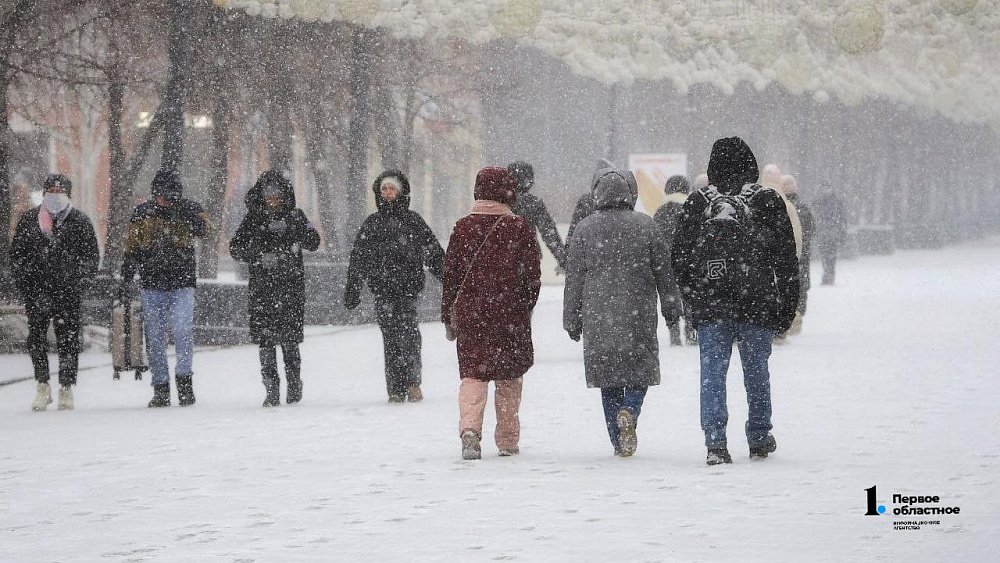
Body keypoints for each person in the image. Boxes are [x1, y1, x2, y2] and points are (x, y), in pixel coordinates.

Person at [671, 137, 799, 465]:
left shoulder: (698, 202)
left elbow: (680, 259)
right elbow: (786, 259)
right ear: (751, 167)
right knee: (756, 371)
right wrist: (786, 307)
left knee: (712, 372)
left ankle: (715, 441)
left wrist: (693, 302)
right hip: (756, 303)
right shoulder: (768, 200)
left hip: (712, 305)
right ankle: (758, 435)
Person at [563, 167, 679, 457]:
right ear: (630, 193)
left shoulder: (584, 229)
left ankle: (618, 440)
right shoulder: (646, 225)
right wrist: (671, 308)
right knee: (639, 370)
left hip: (598, 317)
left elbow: (574, 280)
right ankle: (631, 410)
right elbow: (664, 272)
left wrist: (572, 320)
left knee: (608, 379)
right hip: (637, 313)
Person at [442, 167, 541, 460]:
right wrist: (524, 304)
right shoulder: (520, 227)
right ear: (508, 192)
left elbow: (451, 276)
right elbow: (532, 276)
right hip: (510, 316)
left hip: (473, 315)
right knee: (509, 377)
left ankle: (470, 430)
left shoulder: (462, 227)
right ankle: (508, 439)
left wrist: (448, 314)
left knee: (474, 375)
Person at [344, 170, 444, 403]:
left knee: (409, 335)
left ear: (401, 192)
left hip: (408, 289)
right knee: (390, 338)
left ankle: (413, 382)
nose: (388, 193)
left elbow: (433, 253)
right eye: (384, 189)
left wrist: (449, 279)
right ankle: (395, 388)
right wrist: (353, 287)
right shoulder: (372, 224)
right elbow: (359, 258)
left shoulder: (413, 221)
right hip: (383, 290)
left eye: (392, 189)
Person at [119, 169, 210, 408]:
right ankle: (160, 387)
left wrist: (189, 215)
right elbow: (132, 248)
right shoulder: (142, 214)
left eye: (169, 195)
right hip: (152, 286)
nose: (164, 200)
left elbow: (205, 230)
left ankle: (184, 382)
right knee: (155, 339)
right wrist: (126, 277)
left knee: (183, 331)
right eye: (160, 194)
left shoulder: (188, 210)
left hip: (182, 284)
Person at [230, 170, 320, 407]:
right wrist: (259, 256)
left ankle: (293, 385)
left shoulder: (295, 216)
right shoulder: (253, 219)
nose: (273, 200)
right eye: (269, 195)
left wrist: (294, 232)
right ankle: (271, 389)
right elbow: (235, 248)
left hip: (290, 287)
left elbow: (314, 241)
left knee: (290, 340)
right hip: (262, 289)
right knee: (266, 340)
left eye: (277, 196)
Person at [10, 174, 99, 411]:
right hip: (38, 292)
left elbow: (91, 258)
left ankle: (66, 387)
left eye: (60, 190)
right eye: (51, 189)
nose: (55, 194)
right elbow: (17, 256)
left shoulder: (79, 221)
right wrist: (27, 284)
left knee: (68, 340)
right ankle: (42, 384)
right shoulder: (30, 220)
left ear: (68, 193)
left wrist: (77, 282)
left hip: (68, 293)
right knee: (36, 339)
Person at [652, 174, 692, 346]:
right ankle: (691, 332)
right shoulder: (691, 208)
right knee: (690, 297)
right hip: (689, 262)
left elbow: (655, 239)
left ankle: (674, 333)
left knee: (671, 298)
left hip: (667, 263)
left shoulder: (661, 210)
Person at [507, 161, 567, 271]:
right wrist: (562, 259)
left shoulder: (501, 201)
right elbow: (549, 232)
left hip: (503, 256)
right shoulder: (533, 203)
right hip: (529, 255)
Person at [780, 174, 815, 336]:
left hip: (785, 256)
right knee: (801, 284)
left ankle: (789, 318)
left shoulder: (777, 207)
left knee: (787, 286)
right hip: (801, 256)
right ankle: (797, 316)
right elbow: (811, 231)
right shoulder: (803, 208)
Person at [565, 158, 613, 251]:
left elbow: (573, 231)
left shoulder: (586, 201)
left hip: (589, 253)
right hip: (612, 254)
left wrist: (567, 254)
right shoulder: (620, 202)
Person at [813, 184, 847, 285]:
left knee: (828, 254)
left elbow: (841, 219)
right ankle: (829, 275)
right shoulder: (825, 202)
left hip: (828, 231)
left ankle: (828, 275)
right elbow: (842, 219)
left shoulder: (831, 203)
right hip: (829, 231)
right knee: (828, 255)